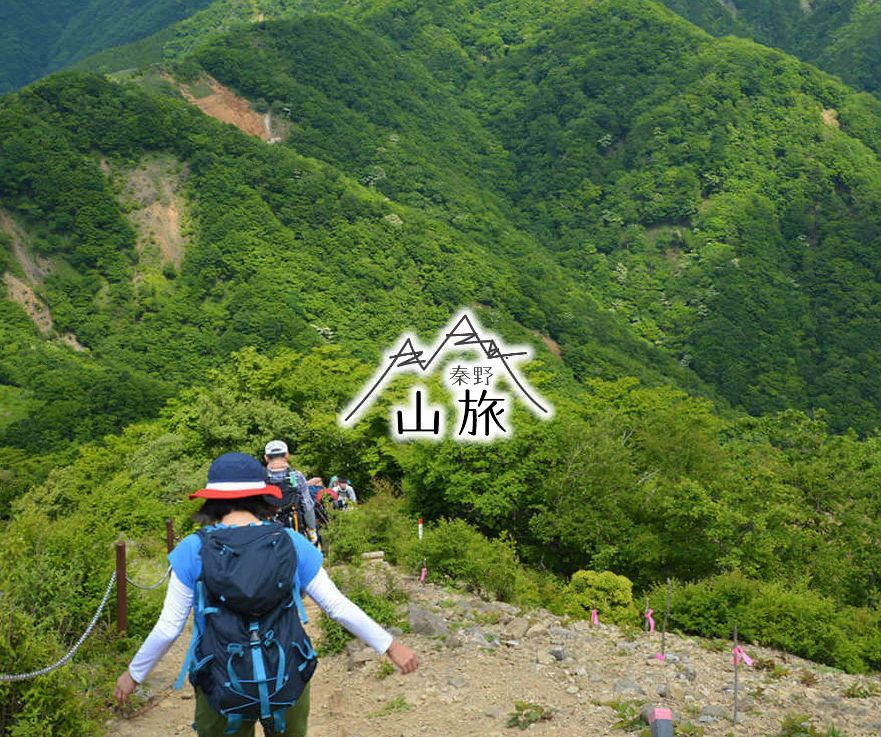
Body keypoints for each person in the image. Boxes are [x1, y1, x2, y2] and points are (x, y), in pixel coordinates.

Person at [114, 452, 418, 736]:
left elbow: (169, 628)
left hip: (220, 682)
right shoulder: (292, 543)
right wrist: (390, 646)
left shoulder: (193, 550)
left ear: (212, 500)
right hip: (286, 676)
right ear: (262, 495)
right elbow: (336, 606)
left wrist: (134, 674)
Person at [263, 440, 318, 545]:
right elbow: (307, 505)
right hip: (293, 526)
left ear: (266, 457)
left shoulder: (259, 478)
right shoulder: (296, 476)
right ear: (287, 455)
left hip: (267, 530)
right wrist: (312, 530)